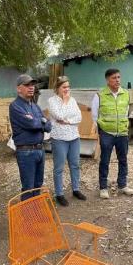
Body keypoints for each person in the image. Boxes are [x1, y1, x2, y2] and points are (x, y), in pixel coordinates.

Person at [91, 68, 133, 199]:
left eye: (118, 77)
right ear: (107, 80)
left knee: (123, 160)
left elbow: (126, 112)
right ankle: (103, 187)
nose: (117, 80)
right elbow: (95, 116)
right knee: (105, 160)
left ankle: (123, 185)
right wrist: (100, 131)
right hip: (107, 133)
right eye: (114, 78)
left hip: (122, 133)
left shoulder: (126, 94)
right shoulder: (99, 96)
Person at [9, 74, 52, 200]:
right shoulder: (15, 106)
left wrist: (41, 121)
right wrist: (42, 121)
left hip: (40, 149)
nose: (31, 87)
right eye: (27, 85)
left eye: (32, 85)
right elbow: (32, 124)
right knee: (28, 187)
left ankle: (35, 214)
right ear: (19, 89)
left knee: (38, 185)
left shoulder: (34, 105)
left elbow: (49, 126)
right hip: (26, 152)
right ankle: (27, 217)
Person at [47, 76, 87, 206]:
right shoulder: (51, 101)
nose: (67, 89)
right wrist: (64, 102)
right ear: (57, 88)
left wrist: (68, 121)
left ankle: (76, 189)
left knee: (75, 165)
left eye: (68, 87)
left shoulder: (73, 100)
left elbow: (79, 117)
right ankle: (59, 194)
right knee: (59, 168)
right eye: (64, 87)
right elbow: (58, 116)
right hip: (59, 138)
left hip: (74, 137)